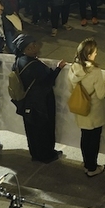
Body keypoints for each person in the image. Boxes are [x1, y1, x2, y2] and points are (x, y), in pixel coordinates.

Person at [14, 34, 67, 163]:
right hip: (41, 103)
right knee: (44, 129)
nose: (36, 47)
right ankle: (47, 154)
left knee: (32, 130)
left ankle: (35, 153)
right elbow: (48, 80)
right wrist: (58, 69)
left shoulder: (18, 61)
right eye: (33, 46)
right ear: (27, 50)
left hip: (27, 103)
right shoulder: (35, 65)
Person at [68, 38, 105, 177]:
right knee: (94, 140)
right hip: (94, 112)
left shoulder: (73, 68)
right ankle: (92, 167)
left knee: (85, 137)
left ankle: (86, 163)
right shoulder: (94, 71)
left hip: (80, 109)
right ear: (88, 55)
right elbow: (100, 94)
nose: (96, 55)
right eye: (94, 53)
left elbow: (70, 88)